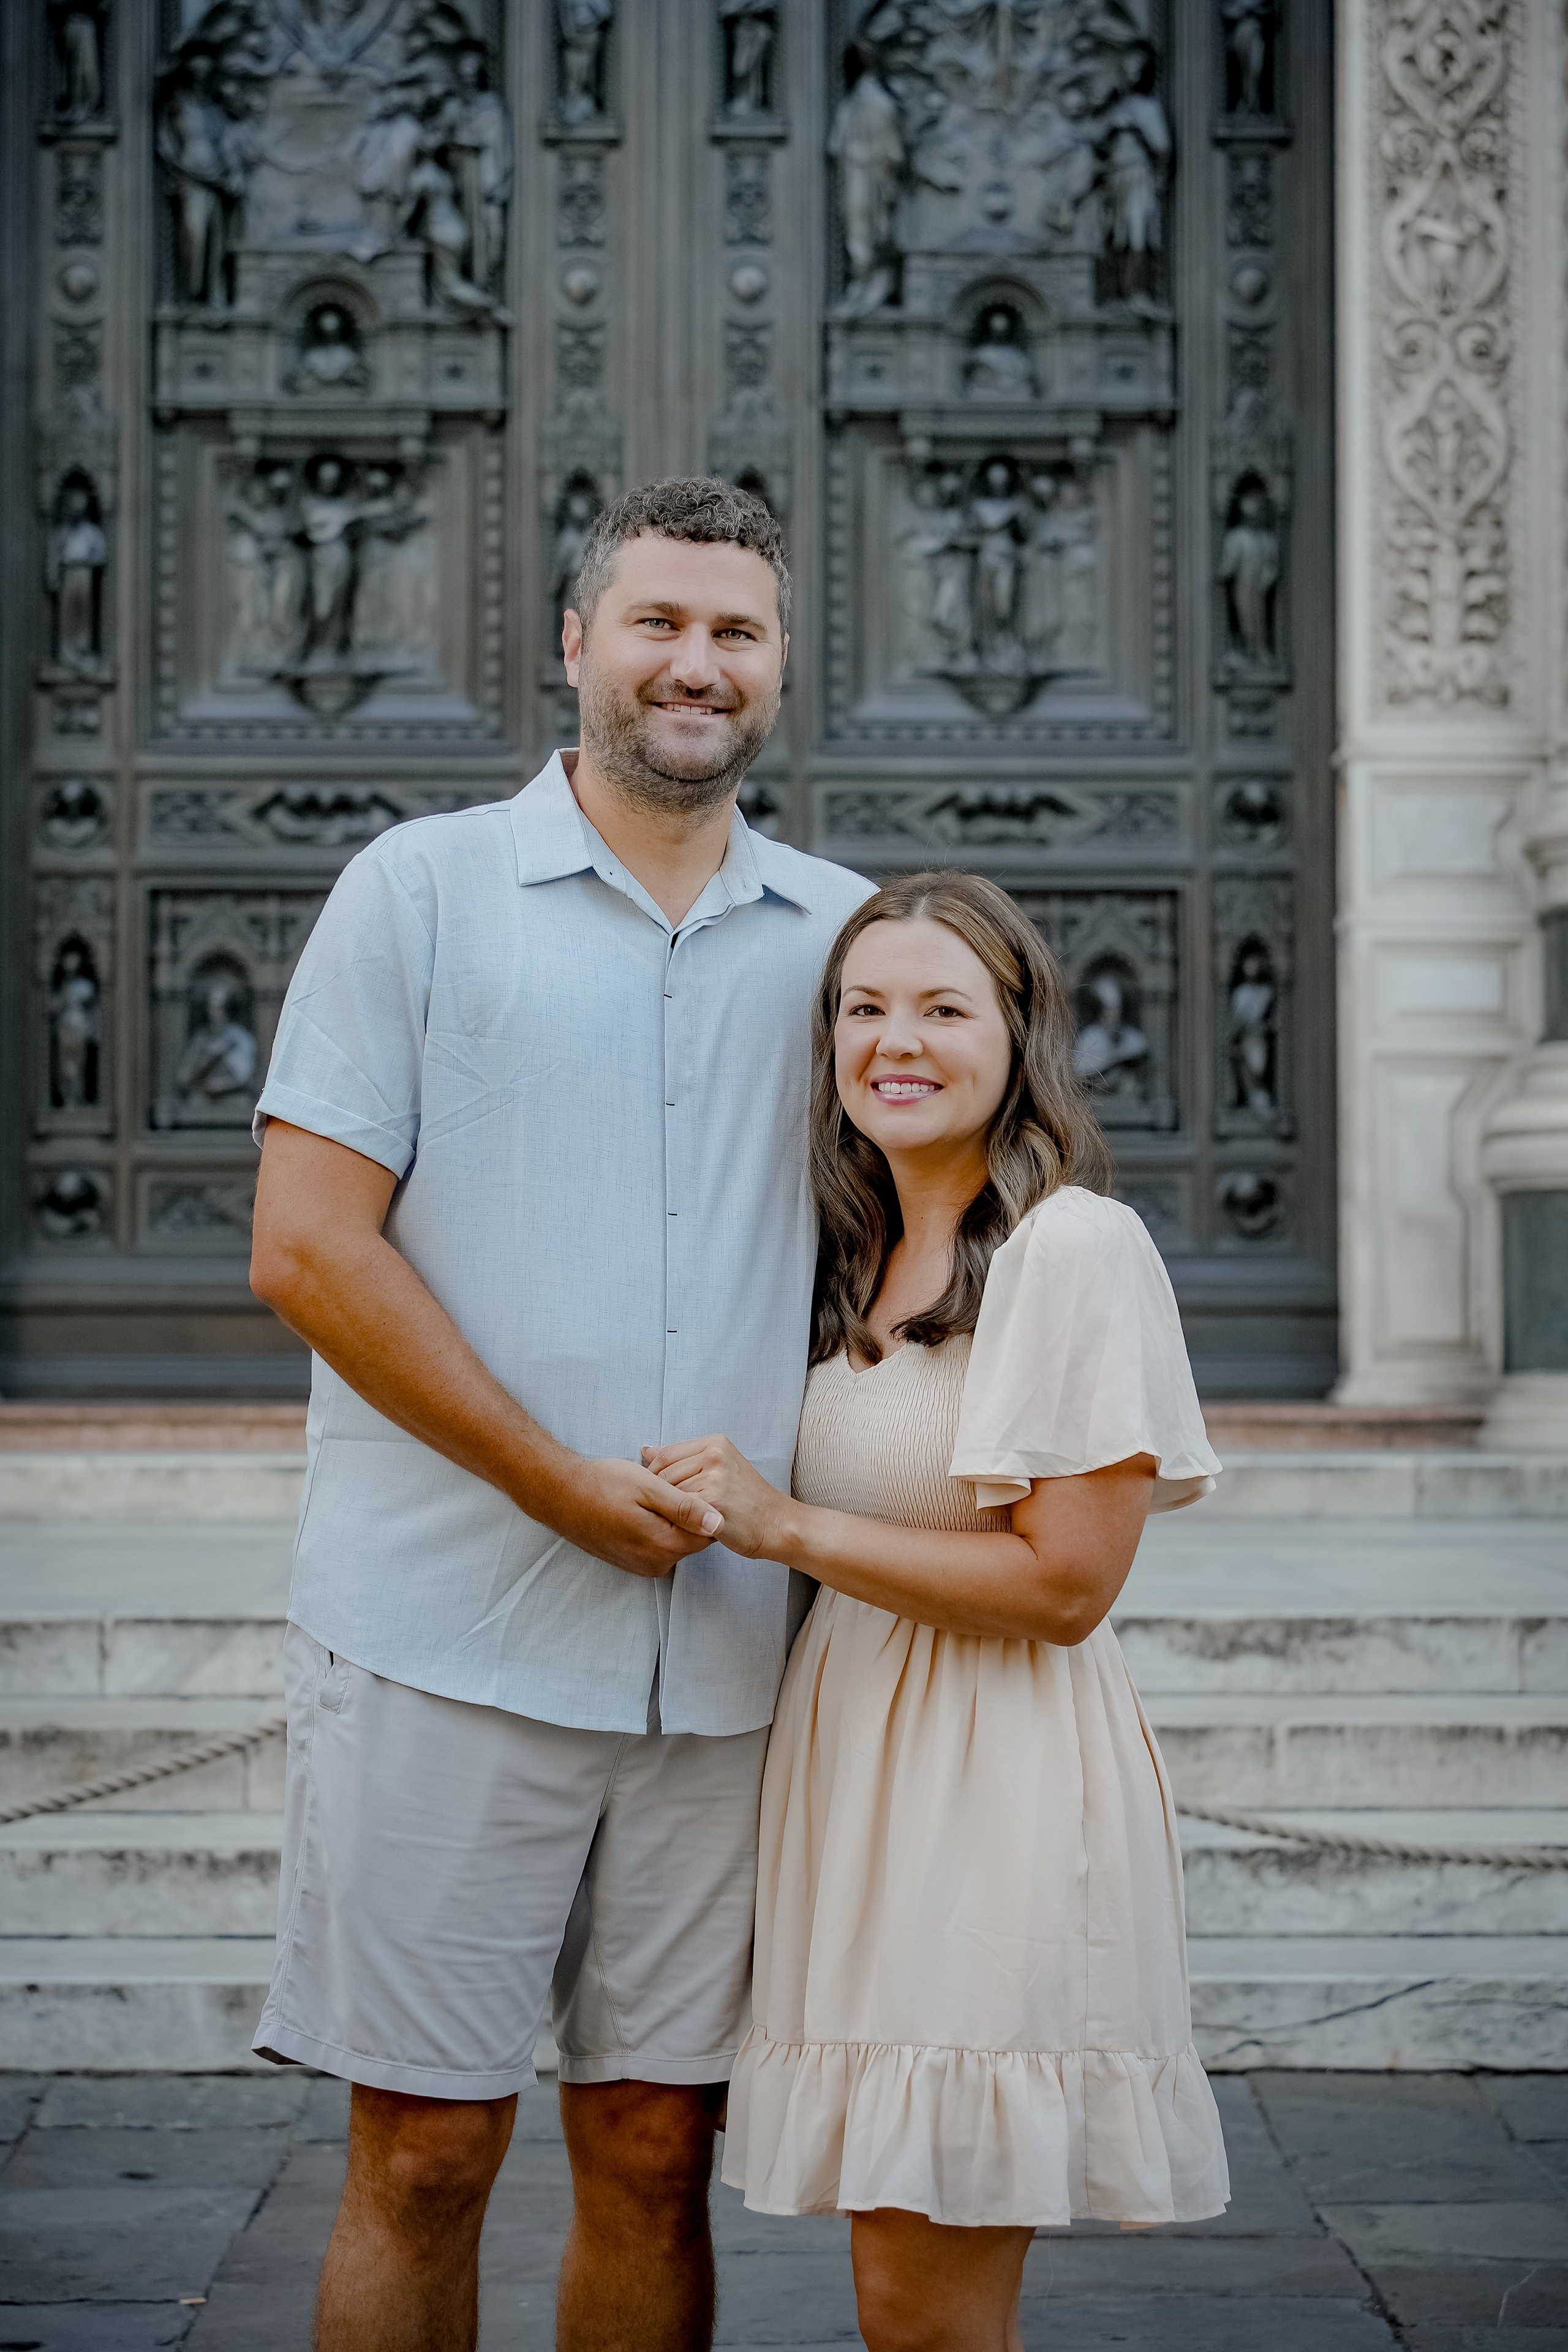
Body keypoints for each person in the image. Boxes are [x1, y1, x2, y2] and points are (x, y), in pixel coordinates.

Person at [245, 477, 872, 2352]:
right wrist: (554, 1486)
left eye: (737, 632)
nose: (700, 663)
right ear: (577, 644)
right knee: (426, 2149)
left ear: (778, 666)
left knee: (658, 2145)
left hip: (731, 1664)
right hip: (448, 1634)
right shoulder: (418, 892)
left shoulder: (849, 941)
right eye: (661, 623)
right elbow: (307, 1249)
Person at [646, 871, 1230, 2352]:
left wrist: (785, 1525)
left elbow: (1067, 1585)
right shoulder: (846, 1255)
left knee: (925, 2301)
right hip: (856, 1777)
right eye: (862, 1008)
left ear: (1019, 1033)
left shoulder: (1070, 1250)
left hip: (993, 1785)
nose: (893, 1041)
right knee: (894, 2288)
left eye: (941, 1007)